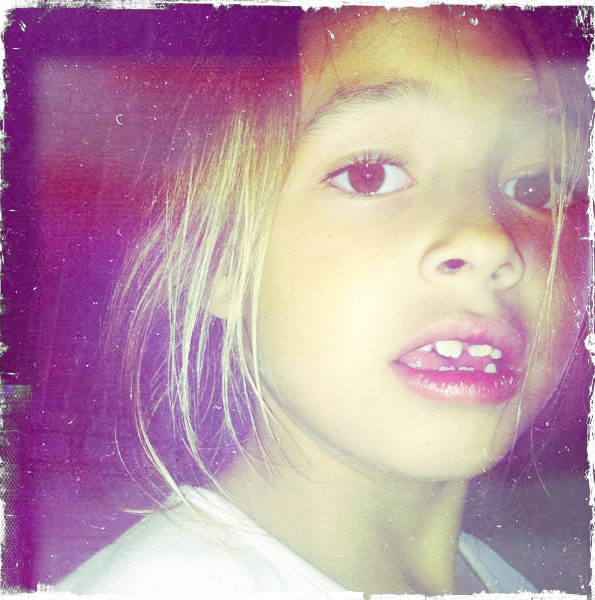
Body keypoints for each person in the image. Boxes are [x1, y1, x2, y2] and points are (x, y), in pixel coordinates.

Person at [55, 4, 592, 597]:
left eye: (536, 185)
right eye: (371, 175)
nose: (489, 242)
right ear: (222, 256)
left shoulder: (502, 578)